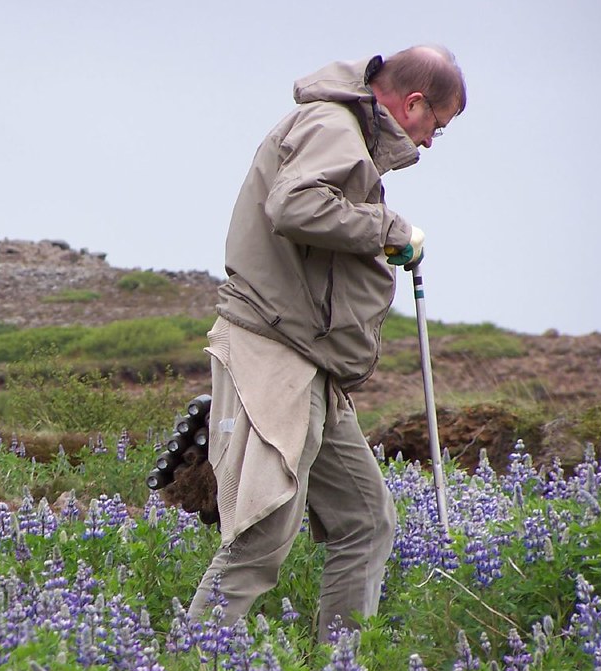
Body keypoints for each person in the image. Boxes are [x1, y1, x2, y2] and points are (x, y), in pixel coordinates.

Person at [187, 46, 466, 638]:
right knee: (263, 529)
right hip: (273, 354)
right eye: (435, 124)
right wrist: (390, 231)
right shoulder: (332, 125)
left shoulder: (350, 135)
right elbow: (295, 205)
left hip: (311, 364)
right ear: (412, 102)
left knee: (366, 520)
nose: (433, 141)